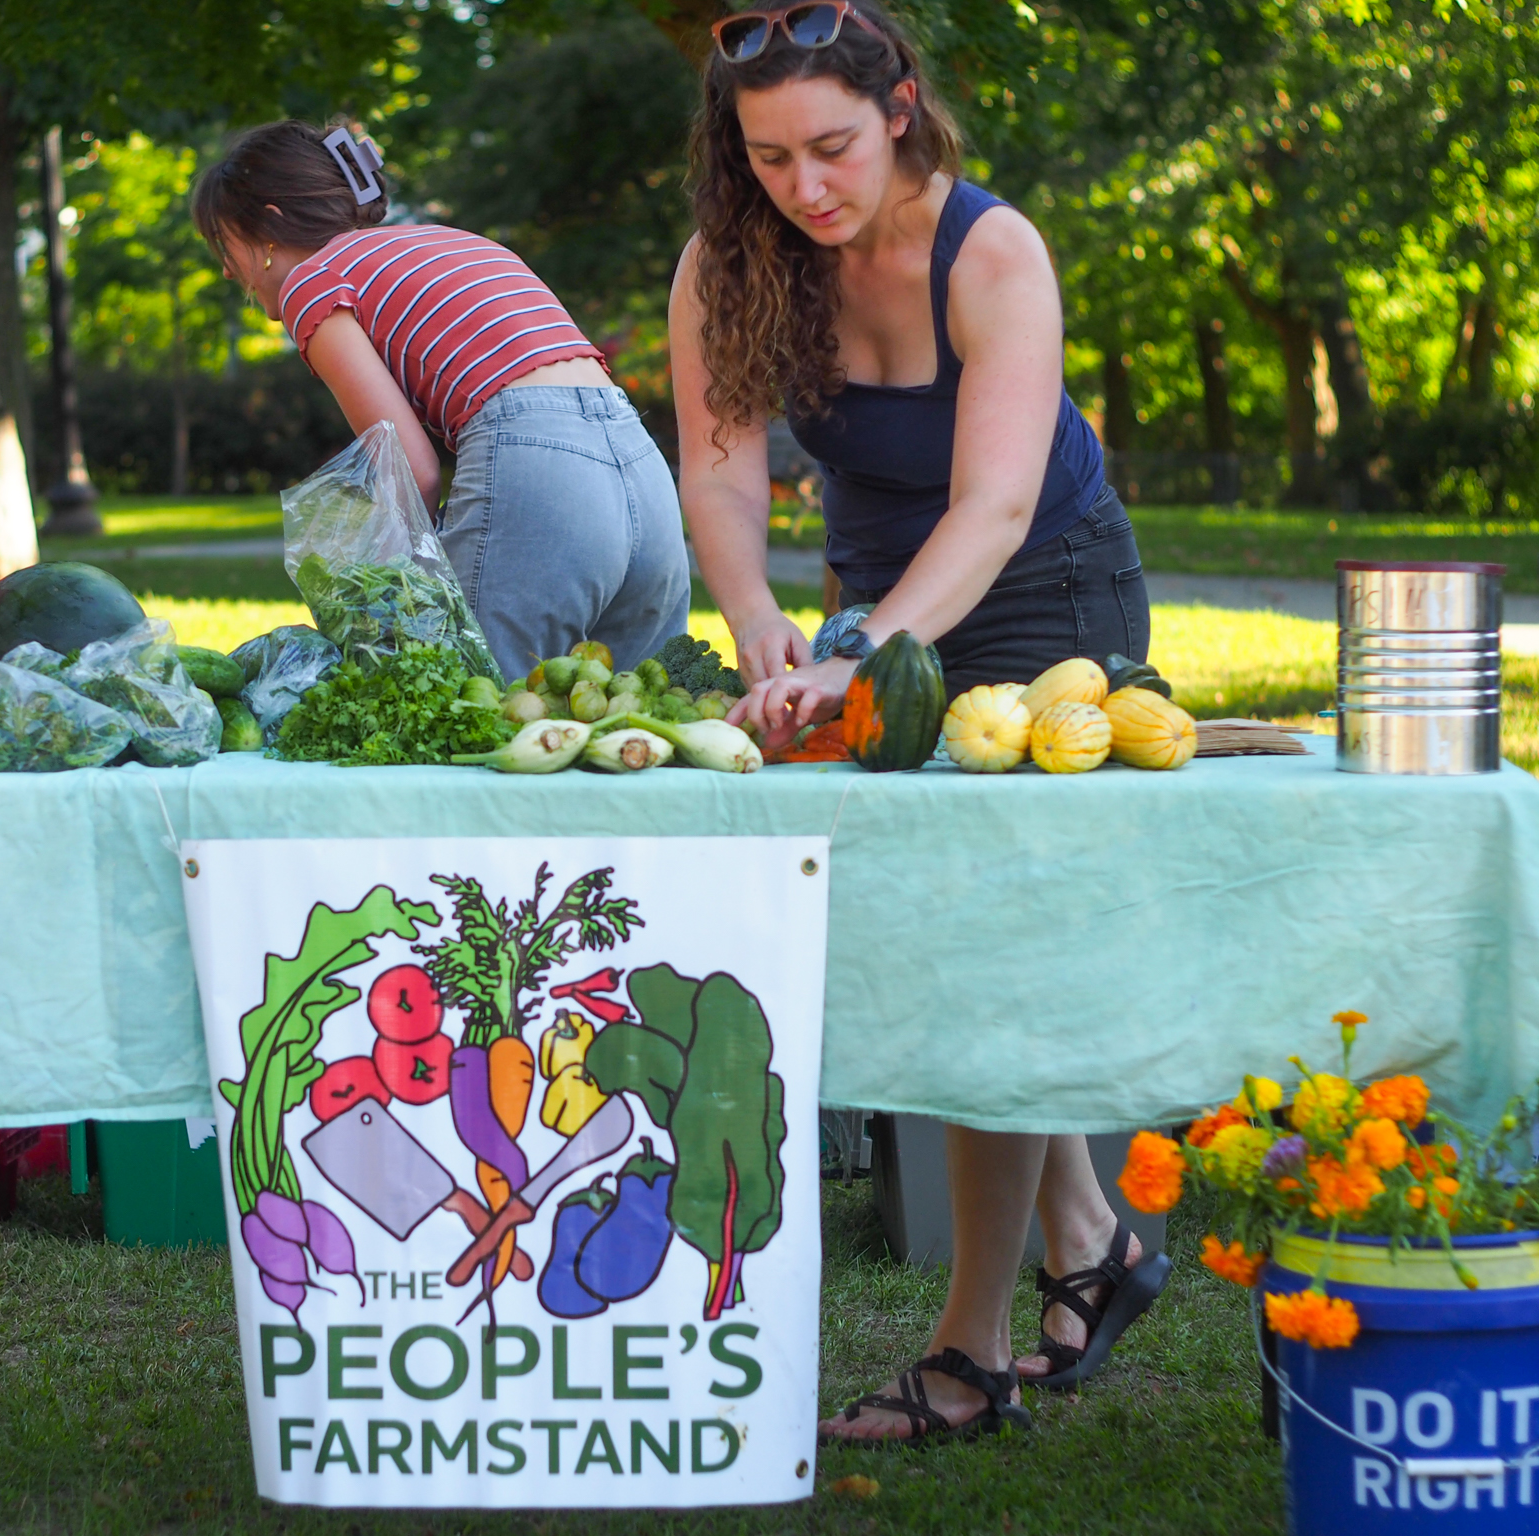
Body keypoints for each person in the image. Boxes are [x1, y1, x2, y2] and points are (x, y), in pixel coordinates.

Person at [670, 2, 1170, 1442]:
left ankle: (974, 1345)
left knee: (989, 941)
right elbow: (719, 475)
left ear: (899, 106)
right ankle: (1094, 1241)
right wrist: (762, 620)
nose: (804, 188)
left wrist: (863, 654)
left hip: (1045, 591)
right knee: (937, 934)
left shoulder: (992, 250)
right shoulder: (731, 260)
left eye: (830, 147)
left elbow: (1000, 505)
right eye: (768, 161)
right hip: (880, 601)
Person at [193, 121, 691, 679]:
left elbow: (411, 472)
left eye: (224, 243)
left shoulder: (314, 282)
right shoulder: (449, 239)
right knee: (638, 720)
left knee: (474, 711)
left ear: (268, 226)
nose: (225, 267)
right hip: (640, 464)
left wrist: (380, 587)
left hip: (540, 469)